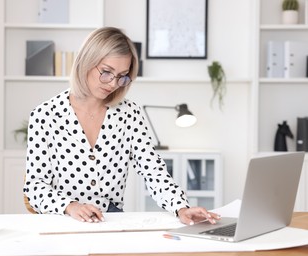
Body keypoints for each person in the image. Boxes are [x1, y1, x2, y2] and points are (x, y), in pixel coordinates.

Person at [23, 27, 220, 225]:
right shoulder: (45, 115)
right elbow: (35, 186)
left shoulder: (129, 113)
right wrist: (70, 206)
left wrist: (180, 207)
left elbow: (153, 170)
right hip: (62, 219)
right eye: (107, 72)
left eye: (122, 76)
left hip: (110, 220)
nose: (113, 84)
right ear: (86, 62)